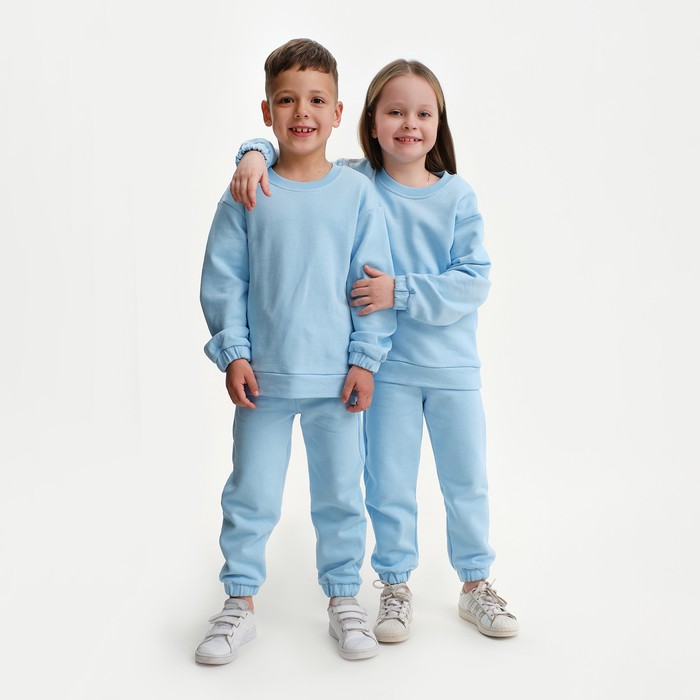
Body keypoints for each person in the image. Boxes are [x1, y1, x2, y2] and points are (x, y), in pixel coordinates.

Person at [230, 58, 519, 643]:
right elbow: (299, 154)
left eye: (423, 113)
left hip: (452, 370)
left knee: (466, 481)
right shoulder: (355, 184)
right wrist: (251, 152)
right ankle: (394, 586)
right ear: (368, 120)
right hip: (382, 371)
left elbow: (474, 281)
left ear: (439, 123)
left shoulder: (457, 195)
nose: (409, 124)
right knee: (387, 486)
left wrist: (400, 291)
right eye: (395, 112)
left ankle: (476, 585)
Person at [196, 38, 396, 665]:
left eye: (316, 100)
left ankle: (344, 597)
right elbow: (224, 278)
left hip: (337, 381)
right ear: (267, 111)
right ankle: (239, 601)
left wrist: (365, 359)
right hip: (264, 380)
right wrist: (234, 351)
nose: (301, 112)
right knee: (251, 493)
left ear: (338, 113)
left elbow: (371, 283)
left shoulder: (357, 195)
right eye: (286, 100)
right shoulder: (247, 190)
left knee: (340, 495)